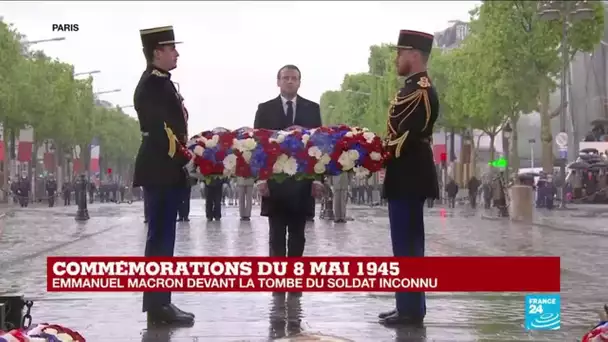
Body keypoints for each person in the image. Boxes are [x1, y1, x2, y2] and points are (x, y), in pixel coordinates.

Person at [133, 25, 194, 326]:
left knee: (164, 239)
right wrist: (186, 155)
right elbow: (162, 131)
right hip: (160, 168)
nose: (177, 53)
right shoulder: (152, 85)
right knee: (159, 240)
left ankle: (162, 302)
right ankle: (158, 307)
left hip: (164, 168)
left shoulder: (162, 83)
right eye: (172, 48)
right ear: (157, 52)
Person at [379, 30, 439, 327]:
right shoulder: (411, 88)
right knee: (403, 244)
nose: (396, 58)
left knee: (409, 245)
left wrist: (373, 151)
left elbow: (407, 135)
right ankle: (407, 304)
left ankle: (412, 310)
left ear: (414, 54)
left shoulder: (421, 90)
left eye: (400, 52)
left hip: (410, 173)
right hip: (404, 173)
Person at [253, 64, 323, 259]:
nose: (290, 81)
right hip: (275, 181)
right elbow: (258, 146)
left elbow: (319, 146)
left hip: (302, 180)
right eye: (286, 78)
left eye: (294, 78)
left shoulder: (312, 108)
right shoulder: (265, 109)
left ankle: (294, 278)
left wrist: (318, 179)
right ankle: (277, 279)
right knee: (275, 233)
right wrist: (261, 179)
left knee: (298, 234)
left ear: (300, 82)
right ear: (278, 82)